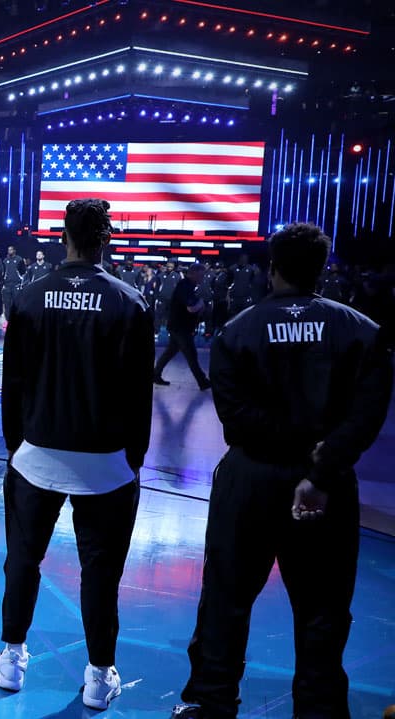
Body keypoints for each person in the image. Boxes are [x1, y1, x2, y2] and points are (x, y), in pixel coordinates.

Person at [172, 223, 393, 719]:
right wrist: (319, 468)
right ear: (321, 268)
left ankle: (213, 704)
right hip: (326, 487)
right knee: (323, 610)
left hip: (250, 479)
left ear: (271, 268)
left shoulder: (237, 330)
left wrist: (288, 452)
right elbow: (368, 412)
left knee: (226, 599)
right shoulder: (362, 331)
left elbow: (233, 413)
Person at [0, 198, 154, 710]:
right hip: (106, 463)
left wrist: (16, 445)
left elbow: (12, 384)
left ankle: (11, 661)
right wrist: (133, 458)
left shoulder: (28, 297)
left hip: (36, 453)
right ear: (106, 237)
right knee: (101, 574)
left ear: (62, 234)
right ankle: (98, 675)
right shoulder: (130, 303)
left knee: (23, 561)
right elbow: (139, 394)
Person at [154, 263, 212, 389]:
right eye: (201, 275)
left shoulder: (188, 286)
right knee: (191, 355)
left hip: (179, 326)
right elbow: (191, 308)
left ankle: (155, 375)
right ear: (193, 273)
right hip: (180, 327)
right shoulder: (185, 286)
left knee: (170, 352)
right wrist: (201, 303)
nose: (203, 278)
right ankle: (202, 382)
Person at [0, 246, 25, 324]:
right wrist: (3, 283)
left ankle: (16, 321)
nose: (9, 251)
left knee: (16, 304)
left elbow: (23, 272)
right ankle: (7, 321)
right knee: (7, 304)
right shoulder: (5, 260)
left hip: (16, 285)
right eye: (8, 250)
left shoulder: (19, 259)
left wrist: (21, 281)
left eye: (11, 250)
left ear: (14, 250)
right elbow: (2, 273)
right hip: (7, 285)